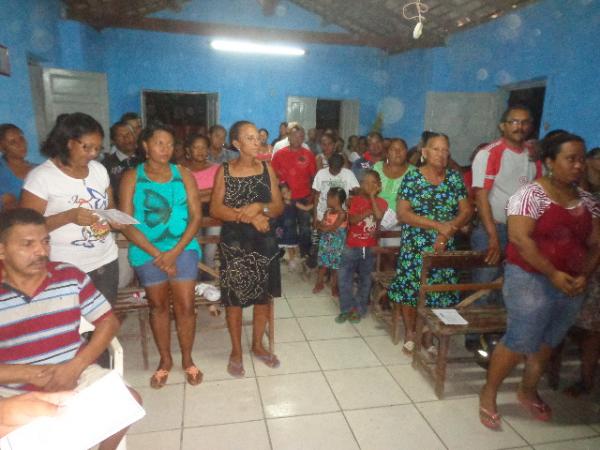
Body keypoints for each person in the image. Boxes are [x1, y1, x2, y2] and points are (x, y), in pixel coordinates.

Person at [479, 133, 600, 429]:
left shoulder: (588, 201)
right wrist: (553, 273)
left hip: (572, 280)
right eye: (570, 159)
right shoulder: (530, 195)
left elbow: (596, 243)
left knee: (550, 338)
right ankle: (489, 393)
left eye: (580, 159)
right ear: (549, 162)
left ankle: (527, 389)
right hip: (530, 277)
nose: (578, 165)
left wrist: (583, 274)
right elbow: (520, 239)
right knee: (521, 338)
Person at [0, 208, 141, 450]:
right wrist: (28, 374)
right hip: (11, 391)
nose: (42, 251)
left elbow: (108, 322)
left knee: (129, 400)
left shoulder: (68, 275)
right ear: (2, 249)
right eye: (27, 244)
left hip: (77, 372)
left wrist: (74, 368)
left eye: (45, 241)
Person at [119, 123, 203, 389]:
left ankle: (187, 358)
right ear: (145, 146)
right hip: (146, 250)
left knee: (186, 305)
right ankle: (165, 360)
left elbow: (196, 215)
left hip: (183, 247)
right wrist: (158, 254)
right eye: (159, 143)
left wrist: (175, 252)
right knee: (157, 305)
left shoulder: (184, 174)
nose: (166, 149)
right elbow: (124, 222)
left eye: (169, 144)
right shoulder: (133, 176)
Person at [20, 113, 121, 306]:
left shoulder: (99, 170)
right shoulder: (41, 177)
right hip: (66, 266)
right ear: (68, 142)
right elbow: (25, 230)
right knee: (71, 326)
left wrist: (115, 220)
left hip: (106, 260)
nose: (93, 153)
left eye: (97, 148)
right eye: (87, 147)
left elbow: (109, 208)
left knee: (103, 322)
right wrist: (68, 216)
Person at [210, 120, 284, 377]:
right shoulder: (225, 171)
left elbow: (278, 206)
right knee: (235, 299)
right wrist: (249, 216)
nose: (256, 142)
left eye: (258, 138)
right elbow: (216, 209)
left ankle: (257, 345)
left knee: (263, 296)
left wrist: (260, 209)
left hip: (264, 241)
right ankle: (236, 351)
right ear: (237, 144)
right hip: (235, 242)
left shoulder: (267, 169)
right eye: (250, 138)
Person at [387, 133, 472, 354]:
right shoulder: (412, 178)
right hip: (415, 245)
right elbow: (403, 214)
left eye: (445, 150)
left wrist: (448, 230)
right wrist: (437, 226)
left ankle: (427, 332)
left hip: (444, 244)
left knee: (439, 291)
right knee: (410, 290)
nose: (441, 154)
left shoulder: (454, 178)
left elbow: (466, 210)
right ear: (424, 153)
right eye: (436, 149)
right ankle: (410, 332)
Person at [337, 170, 386, 323]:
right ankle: (346, 308)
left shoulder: (382, 202)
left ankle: (359, 310)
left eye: (372, 182)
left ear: (378, 186)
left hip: (369, 247)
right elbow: (352, 219)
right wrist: (367, 212)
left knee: (365, 280)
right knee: (344, 278)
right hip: (351, 246)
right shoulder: (355, 200)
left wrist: (372, 198)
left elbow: (378, 216)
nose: (368, 185)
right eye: (365, 182)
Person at [271, 125, 317, 260]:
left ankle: (305, 255)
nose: (298, 138)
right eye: (295, 136)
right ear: (289, 137)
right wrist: (282, 187)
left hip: (304, 197)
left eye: (301, 136)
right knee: (286, 226)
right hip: (286, 198)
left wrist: (313, 196)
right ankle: (285, 254)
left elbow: (314, 177)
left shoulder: (308, 155)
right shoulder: (280, 154)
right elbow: (273, 175)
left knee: (305, 228)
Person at [184, 133, 220, 270]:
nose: (200, 151)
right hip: (190, 215)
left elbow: (220, 193)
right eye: (196, 147)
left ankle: (208, 283)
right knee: (195, 251)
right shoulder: (182, 171)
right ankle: (195, 284)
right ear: (188, 150)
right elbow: (183, 196)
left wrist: (195, 194)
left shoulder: (217, 169)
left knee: (210, 253)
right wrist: (210, 192)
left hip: (214, 215)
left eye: (204, 148)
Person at [373, 138, 415, 247]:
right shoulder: (377, 167)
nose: (397, 152)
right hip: (374, 220)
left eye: (401, 149)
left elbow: (416, 201)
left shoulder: (414, 173)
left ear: (406, 152)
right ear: (387, 153)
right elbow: (367, 191)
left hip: (400, 223)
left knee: (390, 257)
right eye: (393, 149)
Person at [313, 187, 347, 296]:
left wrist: (321, 227)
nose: (327, 200)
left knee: (335, 267)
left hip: (337, 244)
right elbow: (322, 225)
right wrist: (321, 226)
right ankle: (319, 283)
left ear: (335, 199)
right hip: (325, 242)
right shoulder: (327, 212)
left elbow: (331, 227)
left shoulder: (342, 214)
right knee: (322, 265)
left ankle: (334, 286)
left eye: (328, 197)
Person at [102, 121, 140, 205]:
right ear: (113, 140)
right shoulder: (105, 165)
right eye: (121, 136)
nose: (127, 138)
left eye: (129, 134)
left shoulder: (145, 159)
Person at [0, 124, 34, 204]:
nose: (20, 145)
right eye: (13, 142)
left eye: (21, 139)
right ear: (1, 147)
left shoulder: (39, 169)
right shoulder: (2, 172)